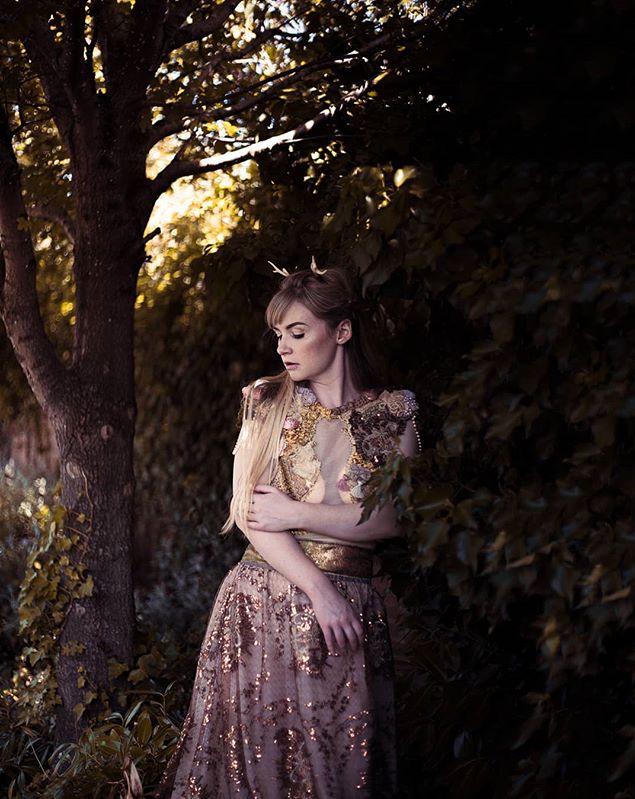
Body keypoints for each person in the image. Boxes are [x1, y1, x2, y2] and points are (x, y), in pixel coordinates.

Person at [154, 266, 420, 799]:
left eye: (297, 332)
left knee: (342, 769)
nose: (283, 347)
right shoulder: (265, 401)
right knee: (257, 770)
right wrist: (320, 591)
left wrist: (295, 512)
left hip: (354, 609)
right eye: (279, 335)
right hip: (263, 604)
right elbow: (252, 513)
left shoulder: (396, 411)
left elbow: (393, 520)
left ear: (341, 331)